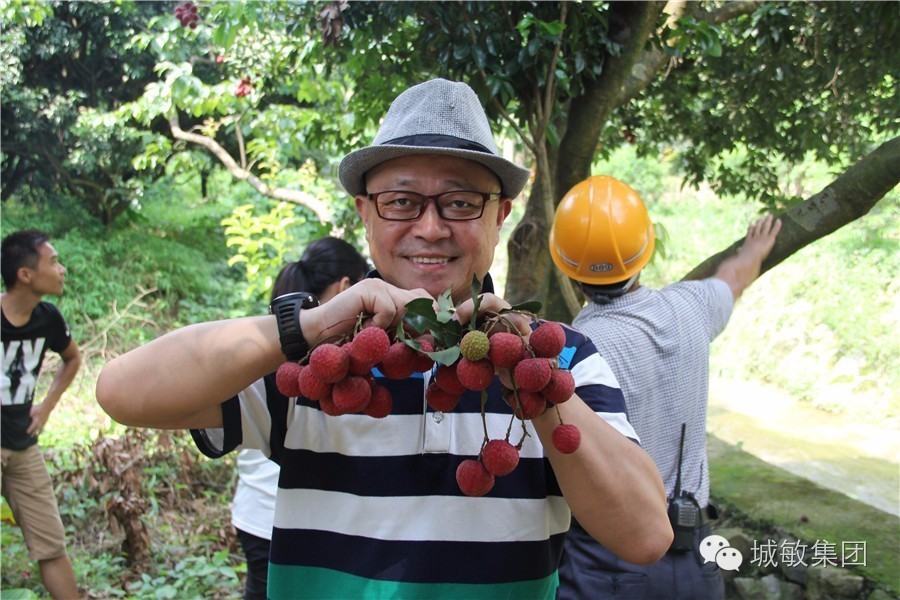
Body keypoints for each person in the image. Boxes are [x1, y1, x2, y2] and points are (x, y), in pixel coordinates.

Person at [97, 79, 672, 599]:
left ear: (501, 215)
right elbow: (119, 392)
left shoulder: (560, 357)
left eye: (461, 202)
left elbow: (645, 536)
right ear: (365, 214)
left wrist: (532, 383)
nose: (429, 226)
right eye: (401, 201)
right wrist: (310, 327)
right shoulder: (318, 363)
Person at [549, 175, 782, 599]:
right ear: (645, 251)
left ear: (563, 264)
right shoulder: (692, 306)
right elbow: (734, 277)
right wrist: (755, 250)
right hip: (696, 559)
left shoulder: (573, 350)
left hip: (608, 561)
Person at [231, 237, 369, 600]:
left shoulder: (268, 341)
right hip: (289, 520)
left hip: (254, 511)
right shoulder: (310, 357)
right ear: (346, 288)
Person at [1, 230, 82, 600]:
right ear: (25, 274)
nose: (61, 269)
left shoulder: (48, 317)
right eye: (52, 261)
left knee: (50, 543)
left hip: (22, 445)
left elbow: (73, 358)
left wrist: (46, 407)